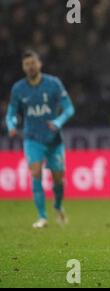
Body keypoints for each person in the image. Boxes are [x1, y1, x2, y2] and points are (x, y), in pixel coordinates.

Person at [5, 50, 75, 229]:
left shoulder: (53, 84)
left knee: (58, 179)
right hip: (32, 138)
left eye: (33, 63)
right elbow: (12, 113)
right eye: (26, 64)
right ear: (23, 67)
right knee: (35, 172)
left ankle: (58, 206)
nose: (30, 67)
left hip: (53, 139)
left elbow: (69, 109)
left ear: (39, 63)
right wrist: (12, 125)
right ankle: (42, 216)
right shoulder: (18, 89)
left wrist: (58, 122)